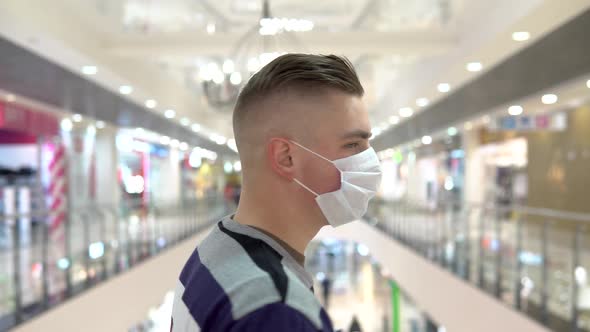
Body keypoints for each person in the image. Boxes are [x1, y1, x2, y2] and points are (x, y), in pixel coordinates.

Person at [171, 54, 382, 331]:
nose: (371, 160)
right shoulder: (278, 310)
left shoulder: (211, 252)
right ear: (286, 157)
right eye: (353, 145)